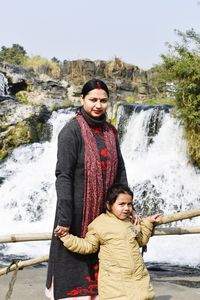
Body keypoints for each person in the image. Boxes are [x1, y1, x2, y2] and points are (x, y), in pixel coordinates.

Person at [46, 79, 132, 300]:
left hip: (104, 216)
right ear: (82, 99)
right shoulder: (71, 131)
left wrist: (126, 207)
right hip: (75, 214)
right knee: (74, 280)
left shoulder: (111, 132)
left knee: (103, 280)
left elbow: (120, 171)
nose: (98, 105)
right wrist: (64, 219)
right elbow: (63, 175)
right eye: (93, 99)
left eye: (103, 100)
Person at [60, 184, 162, 300]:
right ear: (109, 205)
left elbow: (142, 241)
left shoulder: (131, 222)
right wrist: (66, 237)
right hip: (115, 282)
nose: (127, 208)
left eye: (129, 204)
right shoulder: (99, 224)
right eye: (121, 204)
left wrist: (148, 222)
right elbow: (88, 246)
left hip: (138, 277)